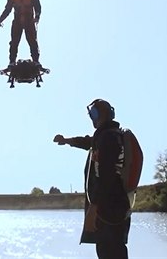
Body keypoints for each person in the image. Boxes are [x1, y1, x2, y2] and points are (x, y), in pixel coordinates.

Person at [53, 99, 132, 259]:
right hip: (115, 207)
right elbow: (88, 142)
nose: (91, 118)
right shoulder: (110, 135)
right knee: (113, 250)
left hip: (108, 208)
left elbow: (107, 176)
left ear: (97, 114)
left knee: (109, 251)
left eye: (92, 114)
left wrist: (94, 208)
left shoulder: (108, 138)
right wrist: (67, 141)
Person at [0, 0, 42, 69]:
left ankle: (36, 61)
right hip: (17, 22)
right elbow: (7, 10)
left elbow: (37, 6)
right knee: (14, 42)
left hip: (29, 21)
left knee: (32, 41)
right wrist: (0, 20)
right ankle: (12, 62)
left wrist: (37, 16)